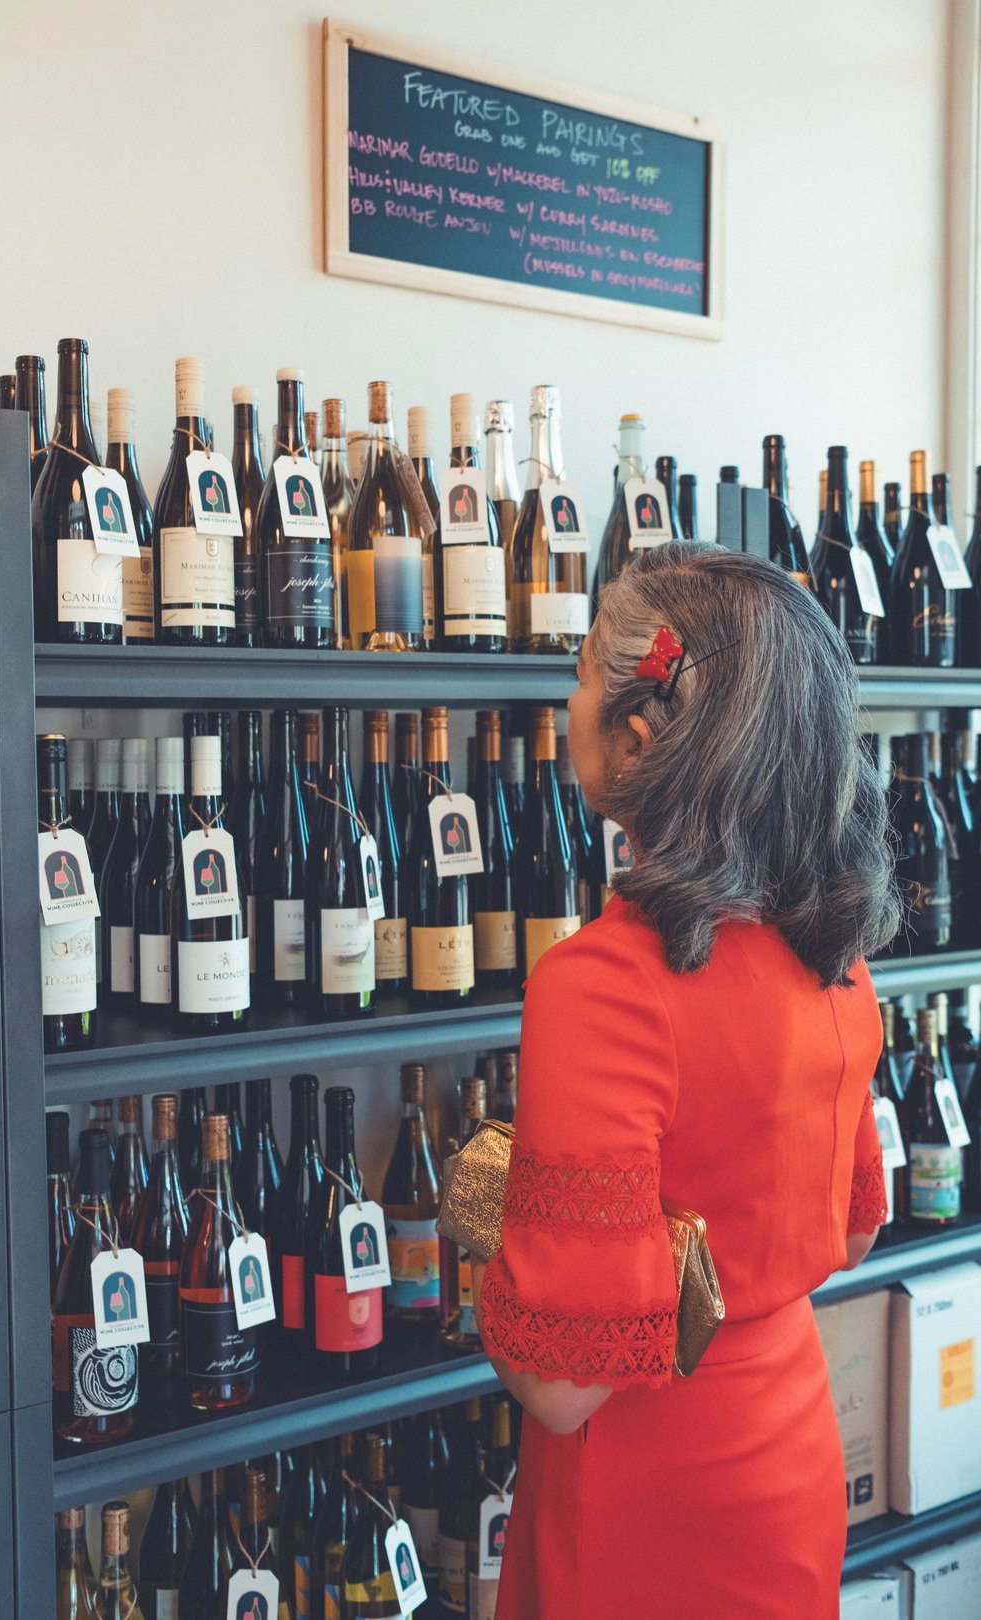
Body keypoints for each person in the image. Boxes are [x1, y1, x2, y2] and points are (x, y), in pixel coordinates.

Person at [473, 543, 900, 1620]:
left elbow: (563, 1387)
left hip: (646, 1501)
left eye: (577, 673)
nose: (566, 700)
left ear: (641, 732)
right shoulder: (835, 959)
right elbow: (850, 1236)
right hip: (786, 1456)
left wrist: (488, 1216)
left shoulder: (602, 985)